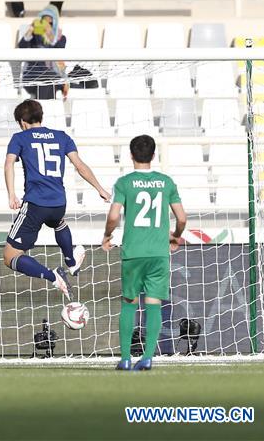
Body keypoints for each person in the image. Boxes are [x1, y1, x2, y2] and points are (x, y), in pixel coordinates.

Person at [3, 99, 110, 298]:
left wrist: (11, 194)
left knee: (10, 256)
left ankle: (53, 277)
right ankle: (71, 262)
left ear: (22, 121)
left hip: (36, 204)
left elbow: (9, 164)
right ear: (41, 117)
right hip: (59, 203)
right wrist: (100, 189)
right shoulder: (62, 137)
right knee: (58, 222)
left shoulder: (20, 137)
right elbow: (80, 166)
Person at [102, 135, 186, 371]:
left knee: (129, 303)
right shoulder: (166, 182)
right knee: (153, 303)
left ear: (131, 155)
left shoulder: (124, 182)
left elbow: (113, 216)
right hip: (158, 253)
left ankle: (126, 358)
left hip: (133, 253)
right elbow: (182, 218)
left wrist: (107, 235)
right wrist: (175, 236)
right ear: (153, 155)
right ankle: (148, 357)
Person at [18, 4, 68, 100]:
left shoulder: (61, 38)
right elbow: (22, 47)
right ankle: (47, 110)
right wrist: (30, 31)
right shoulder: (34, 37)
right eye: (44, 20)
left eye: (50, 21)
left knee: (47, 81)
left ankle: (42, 108)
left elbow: (59, 50)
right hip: (32, 76)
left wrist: (50, 34)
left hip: (53, 75)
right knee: (47, 81)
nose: (46, 24)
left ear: (55, 22)